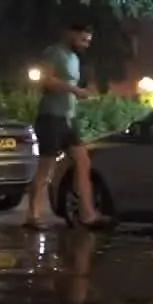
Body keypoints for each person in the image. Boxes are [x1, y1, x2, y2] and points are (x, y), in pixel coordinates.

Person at [24, 22, 110, 230]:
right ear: (70, 33)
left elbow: (68, 89)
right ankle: (33, 214)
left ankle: (87, 213)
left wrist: (82, 94)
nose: (86, 45)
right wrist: (75, 90)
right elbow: (46, 82)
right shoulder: (54, 53)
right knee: (46, 168)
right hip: (51, 118)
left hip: (69, 118)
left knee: (83, 161)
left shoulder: (74, 58)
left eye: (88, 41)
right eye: (83, 39)